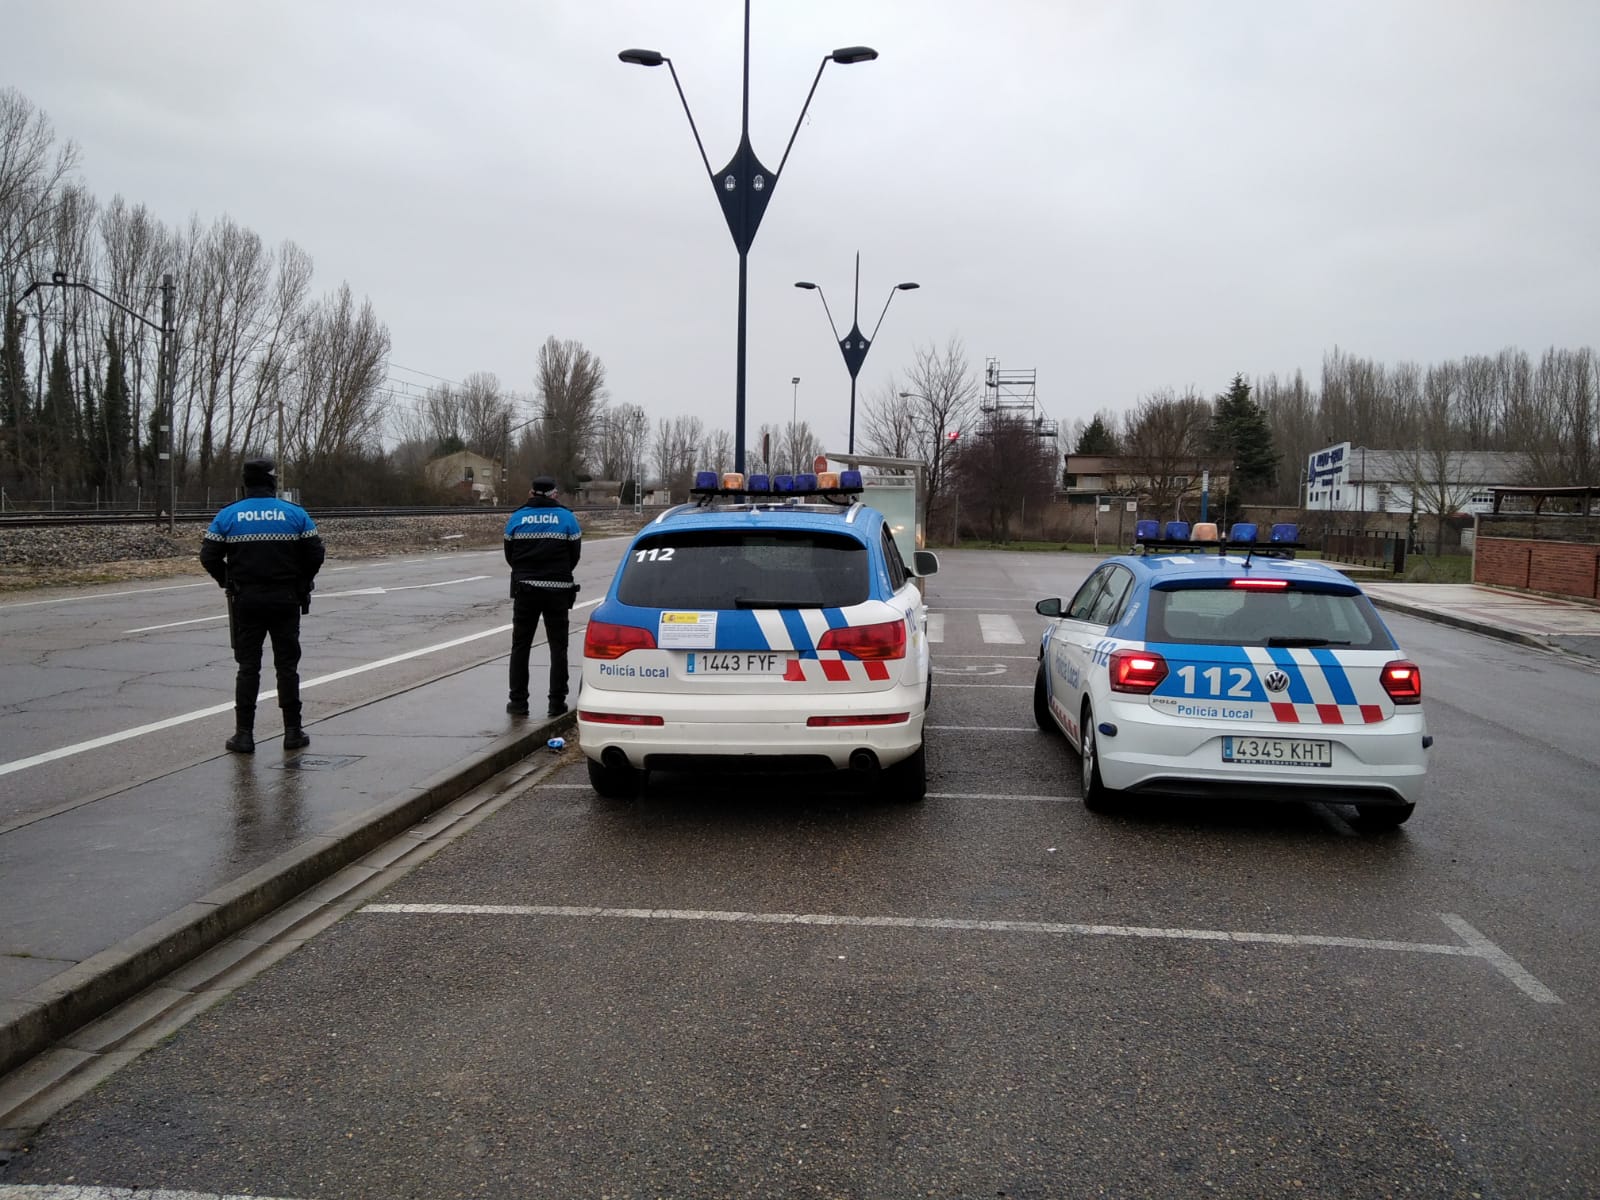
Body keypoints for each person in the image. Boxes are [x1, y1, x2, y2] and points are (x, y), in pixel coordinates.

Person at [200, 458, 325, 754]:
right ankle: (293, 732)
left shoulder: (228, 515)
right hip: (286, 600)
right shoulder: (295, 514)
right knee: (287, 666)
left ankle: (244, 735)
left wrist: (227, 582)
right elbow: (316, 553)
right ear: (272, 482)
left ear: (246, 482)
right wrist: (302, 582)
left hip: (247, 601)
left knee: (248, 668)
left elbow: (209, 556)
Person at [504, 474, 582, 718]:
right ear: (554, 494)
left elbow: (510, 556)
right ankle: (556, 703)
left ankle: (518, 703)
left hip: (525, 589)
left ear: (531, 493)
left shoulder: (517, 518)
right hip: (557, 590)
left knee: (520, 646)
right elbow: (574, 556)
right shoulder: (568, 518)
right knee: (558, 647)